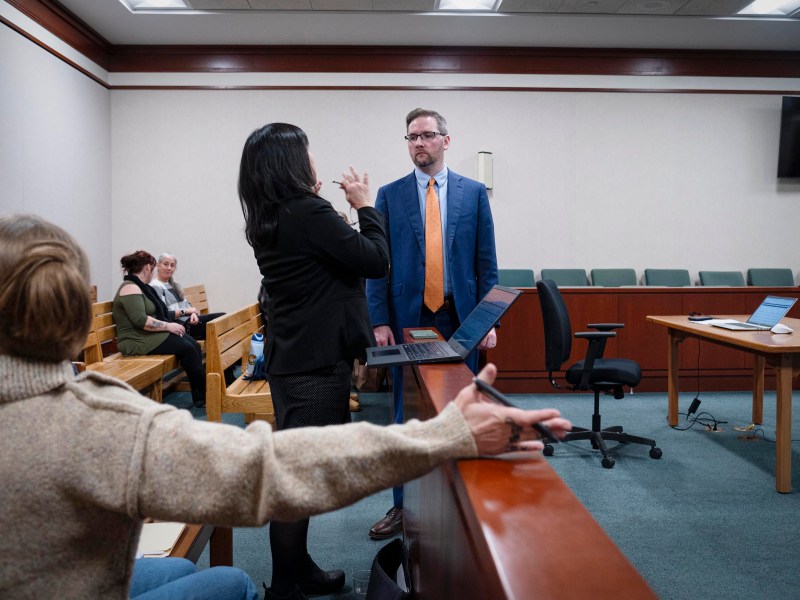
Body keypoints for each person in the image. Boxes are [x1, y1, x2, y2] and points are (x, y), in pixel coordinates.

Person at [0, 213, 570, 600]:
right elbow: (274, 471)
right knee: (233, 583)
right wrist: (449, 434)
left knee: (174, 568)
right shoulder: (99, 425)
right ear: (78, 315)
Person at [238, 122, 389, 599]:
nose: (314, 160)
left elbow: (324, 268)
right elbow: (374, 260)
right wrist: (365, 206)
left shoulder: (272, 214)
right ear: (292, 164)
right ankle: (284, 586)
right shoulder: (306, 211)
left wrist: (328, 213)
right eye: (307, 152)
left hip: (293, 360)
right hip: (313, 366)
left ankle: (298, 568)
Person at [365, 107, 499, 540]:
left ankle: (462, 506)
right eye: (410, 137)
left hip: (461, 321)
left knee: (463, 412)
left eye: (425, 135)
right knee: (407, 419)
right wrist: (379, 320)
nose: (417, 144)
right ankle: (403, 507)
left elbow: (486, 265)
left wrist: (488, 320)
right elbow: (377, 265)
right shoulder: (390, 194)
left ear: (446, 140)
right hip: (409, 320)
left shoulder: (474, 193)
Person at [113, 250, 206, 408]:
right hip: (135, 339)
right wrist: (169, 326)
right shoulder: (130, 287)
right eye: (155, 267)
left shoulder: (141, 286)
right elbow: (140, 320)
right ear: (148, 267)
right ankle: (205, 394)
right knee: (187, 348)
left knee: (193, 344)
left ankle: (200, 396)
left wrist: (173, 322)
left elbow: (156, 314)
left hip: (146, 334)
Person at [150, 252, 225, 340]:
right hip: (182, 327)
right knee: (222, 322)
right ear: (158, 265)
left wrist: (193, 313)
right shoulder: (155, 286)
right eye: (166, 264)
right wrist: (186, 312)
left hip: (191, 321)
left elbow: (187, 305)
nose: (169, 268)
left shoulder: (174, 285)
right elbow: (164, 314)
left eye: (172, 265)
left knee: (224, 318)